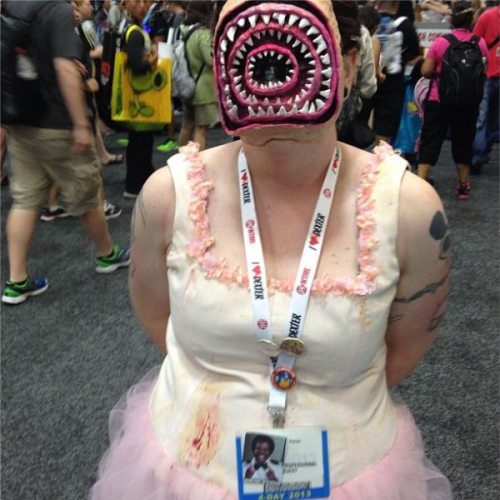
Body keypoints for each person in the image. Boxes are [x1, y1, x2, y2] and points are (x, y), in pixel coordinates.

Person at [90, 1, 452, 498]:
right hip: (186, 464)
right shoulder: (169, 196)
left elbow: (404, 350)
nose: (271, 52)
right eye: (243, 37)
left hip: (351, 468)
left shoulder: (408, 210)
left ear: (348, 66)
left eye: (298, 34)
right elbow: (157, 317)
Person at [2, 0, 129, 306]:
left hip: (22, 120)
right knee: (87, 192)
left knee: (25, 200)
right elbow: (64, 68)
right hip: (58, 122)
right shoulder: (56, 9)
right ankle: (106, 253)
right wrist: (81, 124)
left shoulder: (12, 6)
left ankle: (16, 280)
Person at [416, 0, 488, 199]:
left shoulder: (441, 42)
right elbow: (484, 70)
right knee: (464, 142)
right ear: (471, 20)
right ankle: (463, 186)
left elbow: (426, 71)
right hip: (468, 102)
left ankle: (421, 183)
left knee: (431, 140)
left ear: (451, 21)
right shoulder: (479, 43)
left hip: (439, 99)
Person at [122, 0, 159, 199]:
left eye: (145, 1)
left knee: (140, 141)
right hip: (139, 96)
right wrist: (153, 60)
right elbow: (136, 66)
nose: (142, 6)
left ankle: (141, 177)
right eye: (137, 1)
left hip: (139, 96)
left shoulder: (134, 29)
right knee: (139, 142)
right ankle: (135, 184)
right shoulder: (135, 33)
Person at [372, 0, 420, 144]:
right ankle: (381, 153)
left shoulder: (368, 19)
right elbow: (414, 52)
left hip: (368, 79)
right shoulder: (405, 25)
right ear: (397, 5)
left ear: (379, 3)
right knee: (386, 125)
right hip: (393, 82)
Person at [177, 1, 219, 151]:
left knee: (187, 125)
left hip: (188, 84)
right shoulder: (203, 34)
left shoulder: (186, 31)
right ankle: (196, 162)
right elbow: (210, 60)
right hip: (203, 90)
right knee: (201, 130)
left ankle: (181, 158)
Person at [471, 0, 499, 173]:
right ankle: (476, 156)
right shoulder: (488, 16)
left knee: (493, 119)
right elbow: (474, 42)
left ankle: (483, 151)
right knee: (482, 117)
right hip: (487, 75)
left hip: (492, 75)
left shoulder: (487, 15)